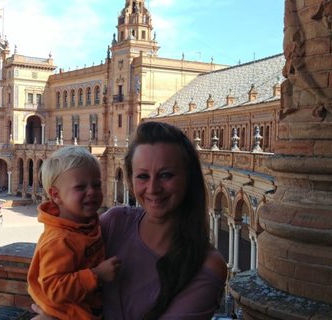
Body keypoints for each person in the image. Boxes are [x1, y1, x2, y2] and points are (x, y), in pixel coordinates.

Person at [32, 122, 227, 319]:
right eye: (142, 176)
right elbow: (56, 278)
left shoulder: (206, 266)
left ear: (189, 179)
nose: (153, 188)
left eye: (166, 175)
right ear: (131, 182)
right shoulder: (113, 224)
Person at [27, 146, 121, 320]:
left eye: (96, 184)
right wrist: (97, 275)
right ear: (56, 195)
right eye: (80, 187)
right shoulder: (59, 239)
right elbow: (54, 289)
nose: (91, 191)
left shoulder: (86, 224)